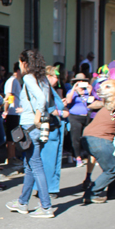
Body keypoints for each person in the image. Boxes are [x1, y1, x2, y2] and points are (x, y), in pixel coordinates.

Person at [6, 49, 54, 218]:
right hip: (38, 126)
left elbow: (41, 99)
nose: (19, 66)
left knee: (35, 164)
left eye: (20, 62)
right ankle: (22, 202)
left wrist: (36, 118)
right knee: (29, 165)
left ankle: (46, 206)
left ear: (25, 63)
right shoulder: (42, 78)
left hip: (31, 125)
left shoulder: (28, 77)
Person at [31, 66, 69, 198]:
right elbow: (50, 108)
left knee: (42, 159)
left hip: (47, 126)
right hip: (52, 126)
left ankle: (40, 187)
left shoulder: (44, 88)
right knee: (50, 159)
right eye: (55, 77)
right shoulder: (47, 89)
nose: (57, 80)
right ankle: (49, 188)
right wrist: (63, 113)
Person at [64, 73, 94, 168]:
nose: (81, 83)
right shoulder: (71, 92)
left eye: (83, 81)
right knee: (75, 138)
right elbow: (68, 101)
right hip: (75, 116)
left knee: (86, 137)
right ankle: (77, 158)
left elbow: (91, 102)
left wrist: (89, 91)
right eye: (78, 81)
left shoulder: (87, 91)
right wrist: (74, 89)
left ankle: (88, 156)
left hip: (86, 116)